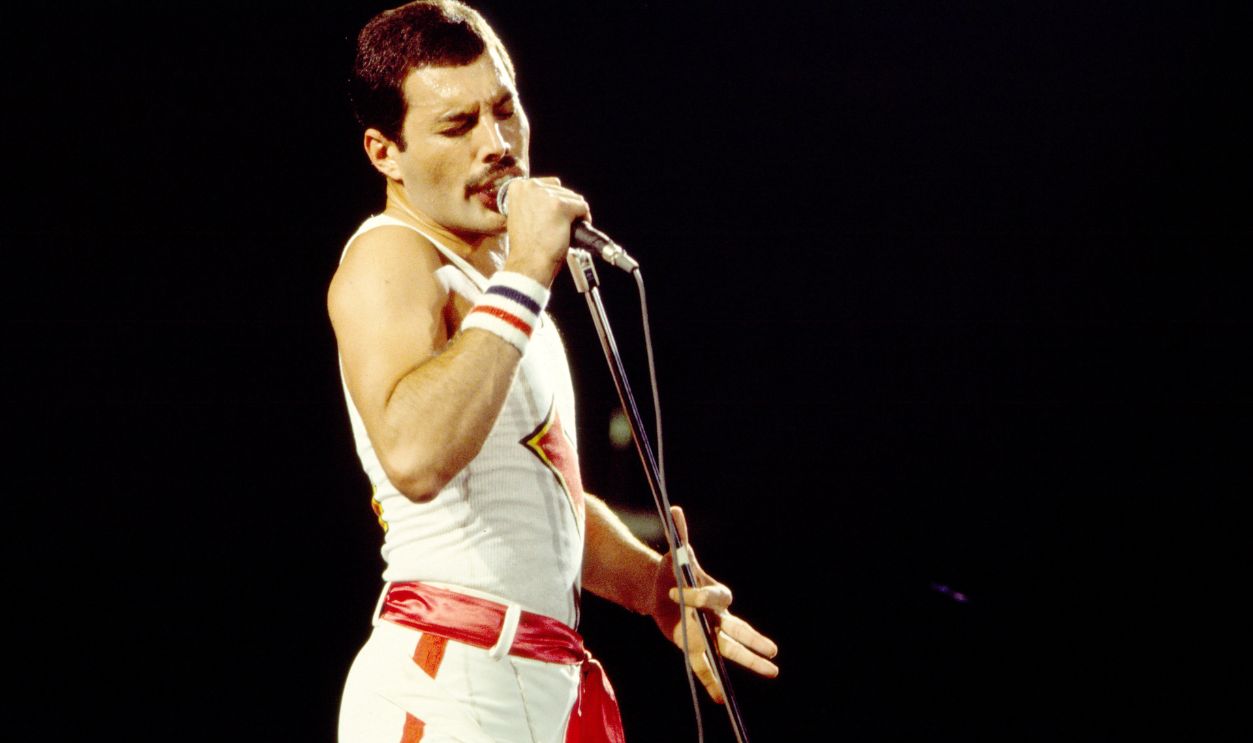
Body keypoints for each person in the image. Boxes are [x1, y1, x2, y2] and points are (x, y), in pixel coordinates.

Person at [328, 3, 778, 741]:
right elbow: (412, 456)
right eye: (457, 126)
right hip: (450, 679)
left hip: (537, 676)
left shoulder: (497, 287)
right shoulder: (391, 257)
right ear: (385, 153)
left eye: (504, 111)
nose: (496, 145)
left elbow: (534, 493)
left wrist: (650, 584)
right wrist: (528, 274)